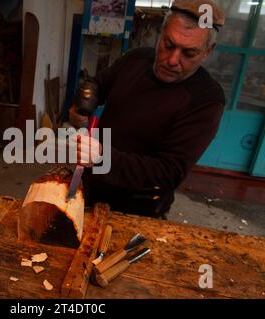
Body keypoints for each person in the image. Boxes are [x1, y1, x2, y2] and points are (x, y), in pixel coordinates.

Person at [71, 0, 226, 219]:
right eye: (168, 45)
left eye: (188, 54)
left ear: (207, 52)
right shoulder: (137, 59)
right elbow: (97, 83)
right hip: (89, 186)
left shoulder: (206, 100)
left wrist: (102, 158)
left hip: (137, 209)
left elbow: (168, 173)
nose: (172, 60)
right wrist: (83, 105)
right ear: (161, 33)